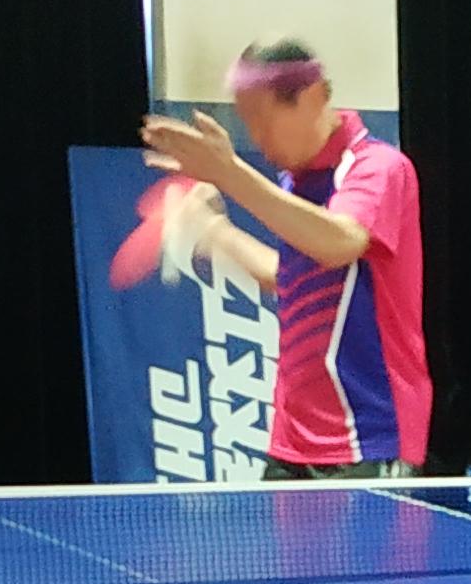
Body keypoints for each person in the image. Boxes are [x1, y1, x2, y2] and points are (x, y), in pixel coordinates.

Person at [140, 42, 433, 477]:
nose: (256, 137)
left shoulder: (378, 167)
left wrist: (228, 173)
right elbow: (291, 278)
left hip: (368, 437)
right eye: (248, 122)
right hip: (292, 443)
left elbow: (339, 242)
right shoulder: (293, 184)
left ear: (311, 97)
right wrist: (213, 231)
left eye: (263, 119)